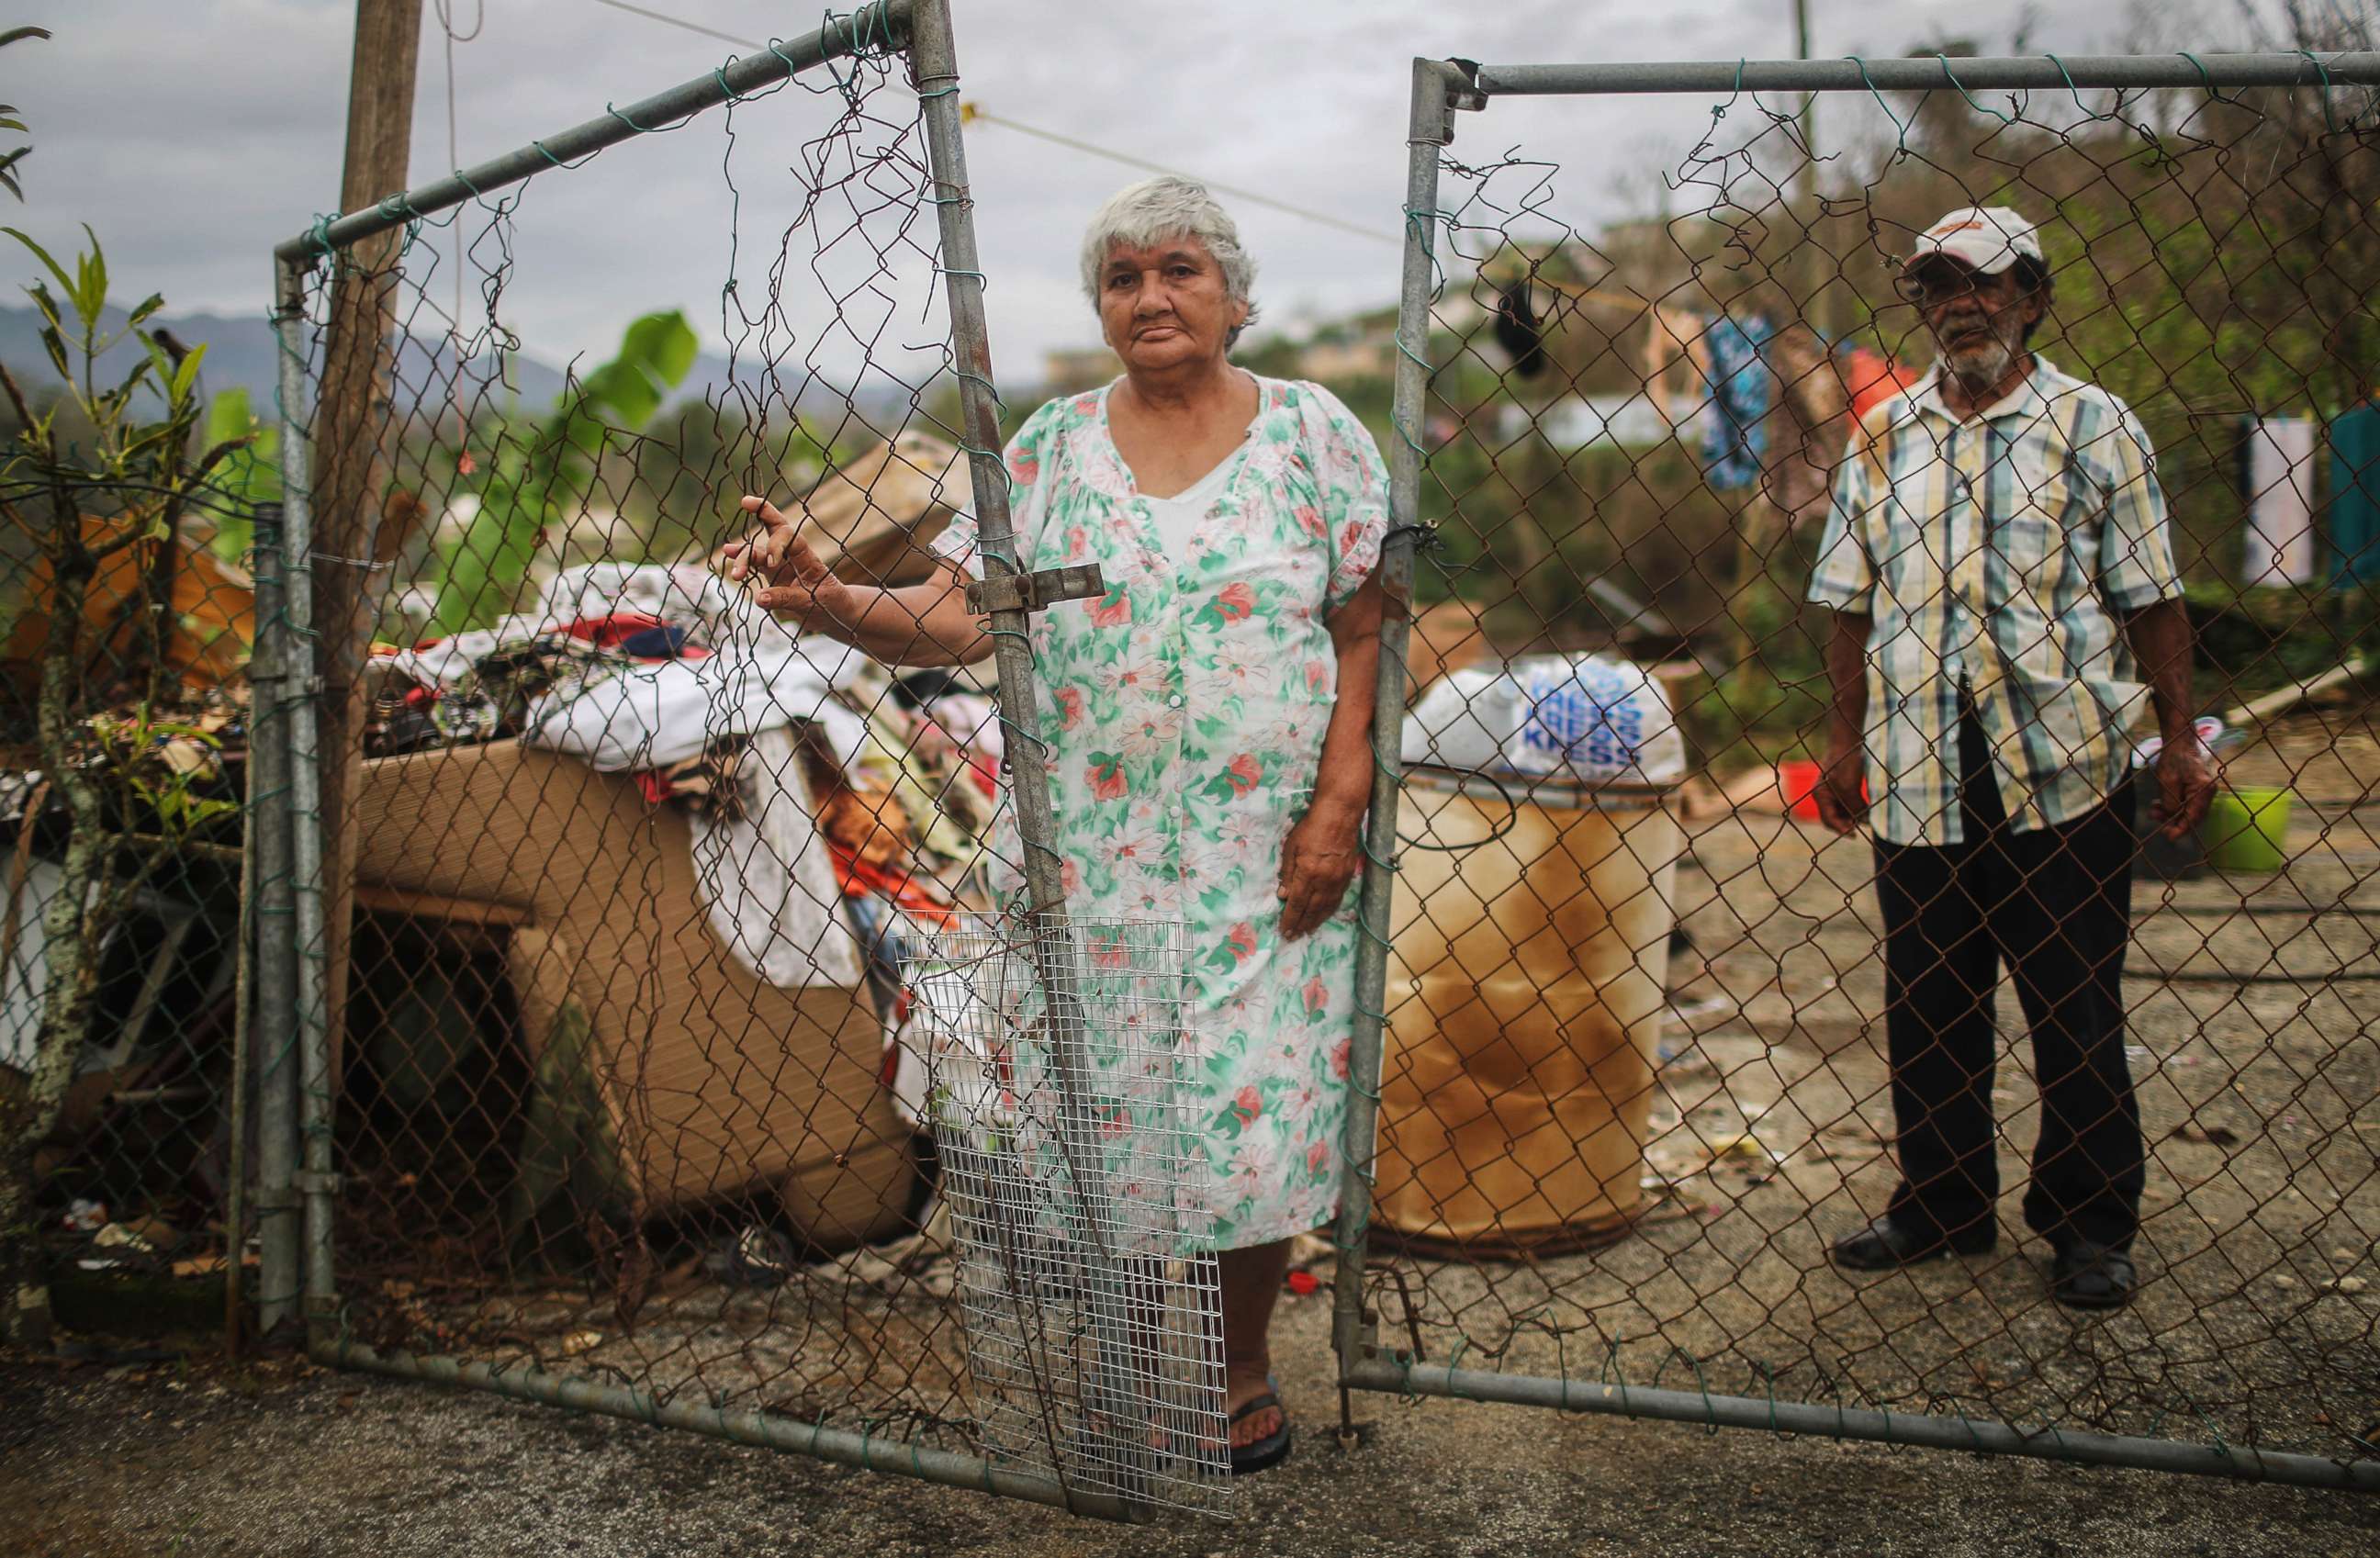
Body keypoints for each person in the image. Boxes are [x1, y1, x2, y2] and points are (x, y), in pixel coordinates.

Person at [721, 175, 1388, 1469]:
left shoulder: (1314, 433)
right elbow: (960, 611)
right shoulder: (1046, 450)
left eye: (1180, 269)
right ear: (1101, 306)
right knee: (1120, 1116)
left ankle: (1239, 1370)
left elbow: (1365, 619)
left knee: (1257, 1113)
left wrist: (1341, 801)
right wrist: (823, 599)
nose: (1151, 296)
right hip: (1094, 853)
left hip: (1271, 855)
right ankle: (1144, 1368)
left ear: (1235, 296)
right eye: (1124, 277)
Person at [1805, 205, 2214, 1311]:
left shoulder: (2095, 424)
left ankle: (2089, 1221)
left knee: (2073, 1000)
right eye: (1939, 286)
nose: (1962, 303)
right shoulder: (1884, 431)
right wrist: (1842, 742)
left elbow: (2152, 596)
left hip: (2061, 760)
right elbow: (1847, 602)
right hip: (1919, 757)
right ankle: (1942, 1201)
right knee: (1929, 995)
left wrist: (2179, 738)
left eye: (1985, 283)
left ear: (2031, 296)